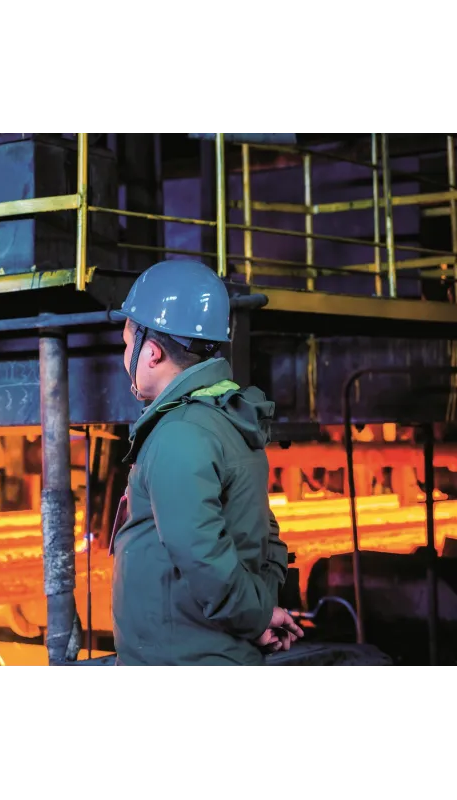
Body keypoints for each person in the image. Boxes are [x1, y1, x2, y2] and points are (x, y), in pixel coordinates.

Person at [109, 259, 303, 667]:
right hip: (211, 651)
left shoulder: (180, 432)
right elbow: (266, 534)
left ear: (152, 352)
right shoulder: (225, 417)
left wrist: (257, 616)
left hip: (182, 660)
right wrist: (260, 611)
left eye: (128, 343)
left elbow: (201, 554)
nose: (123, 354)